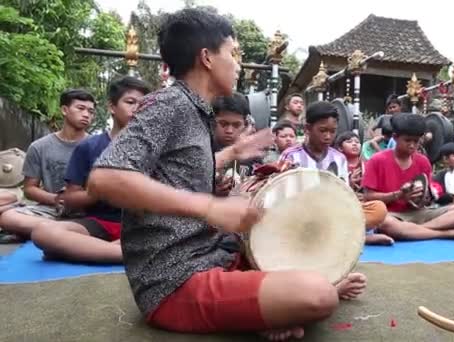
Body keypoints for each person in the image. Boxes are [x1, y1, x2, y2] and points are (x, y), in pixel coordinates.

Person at [87, 9, 364, 341]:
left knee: (309, 265)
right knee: (318, 295)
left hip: (212, 253)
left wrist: (231, 155)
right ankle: (282, 305)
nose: (238, 63)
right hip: (175, 281)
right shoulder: (168, 104)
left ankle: (283, 300)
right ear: (206, 57)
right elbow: (105, 177)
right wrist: (210, 208)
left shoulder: (195, 110)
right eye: (232, 53)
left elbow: (176, 172)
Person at [29, 76, 151, 264]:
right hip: (100, 223)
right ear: (112, 107)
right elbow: (70, 199)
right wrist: (99, 192)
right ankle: (123, 253)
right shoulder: (89, 147)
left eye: (143, 104)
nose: (137, 108)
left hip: (143, 226)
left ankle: (89, 250)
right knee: (43, 232)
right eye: (130, 102)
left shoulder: (157, 148)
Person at [362, 114, 454, 241]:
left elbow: (427, 197)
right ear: (395, 137)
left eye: (416, 141)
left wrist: (424, 197)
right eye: (407, 140)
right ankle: (444, 233)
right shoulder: (377, 160)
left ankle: (417, 231)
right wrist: (398, 195)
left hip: (419, 213)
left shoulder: (423, 161)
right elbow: (368, 197)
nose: (412, 145)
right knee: (386, 223)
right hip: (391, 215)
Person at [0, 89, 95, 240]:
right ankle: (64, 232)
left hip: (88, 212)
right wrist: (55, 199)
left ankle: (47, 231)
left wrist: (77, 199)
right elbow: (29, 189)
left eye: (90, 111)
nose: (86, 114)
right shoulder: (39, 147)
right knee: (8, 217)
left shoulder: (98, 146)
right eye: (81, 108)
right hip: (50, 210)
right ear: (64, 110)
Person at [280, 102, 387, 230]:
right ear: (307, 129)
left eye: (333, 131)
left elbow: (343, 193)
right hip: (301, 214)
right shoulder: (291, 156)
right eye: (322, 131)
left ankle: (334, 233)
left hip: (332, 213)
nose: (328, 136)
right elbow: (281, 196)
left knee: (378, 209)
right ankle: (348, 235)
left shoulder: (339, 158)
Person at [335, 131, 392, 245]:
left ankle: (355, 235)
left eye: (357, 142)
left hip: (363, 206)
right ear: (340, 148)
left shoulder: (368, 164)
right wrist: (349, 184)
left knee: (379, 209)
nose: (354, 144)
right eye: (349, 142)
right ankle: (363, 237)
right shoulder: (336, 164)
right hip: (343, 205)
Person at [212, 93, 262, 196]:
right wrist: (212, 191)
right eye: (223, 124)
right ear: (212, 121)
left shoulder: (253, 155)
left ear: (246, 124)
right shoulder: (203, 150)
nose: (229, 130)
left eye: (236, 125)